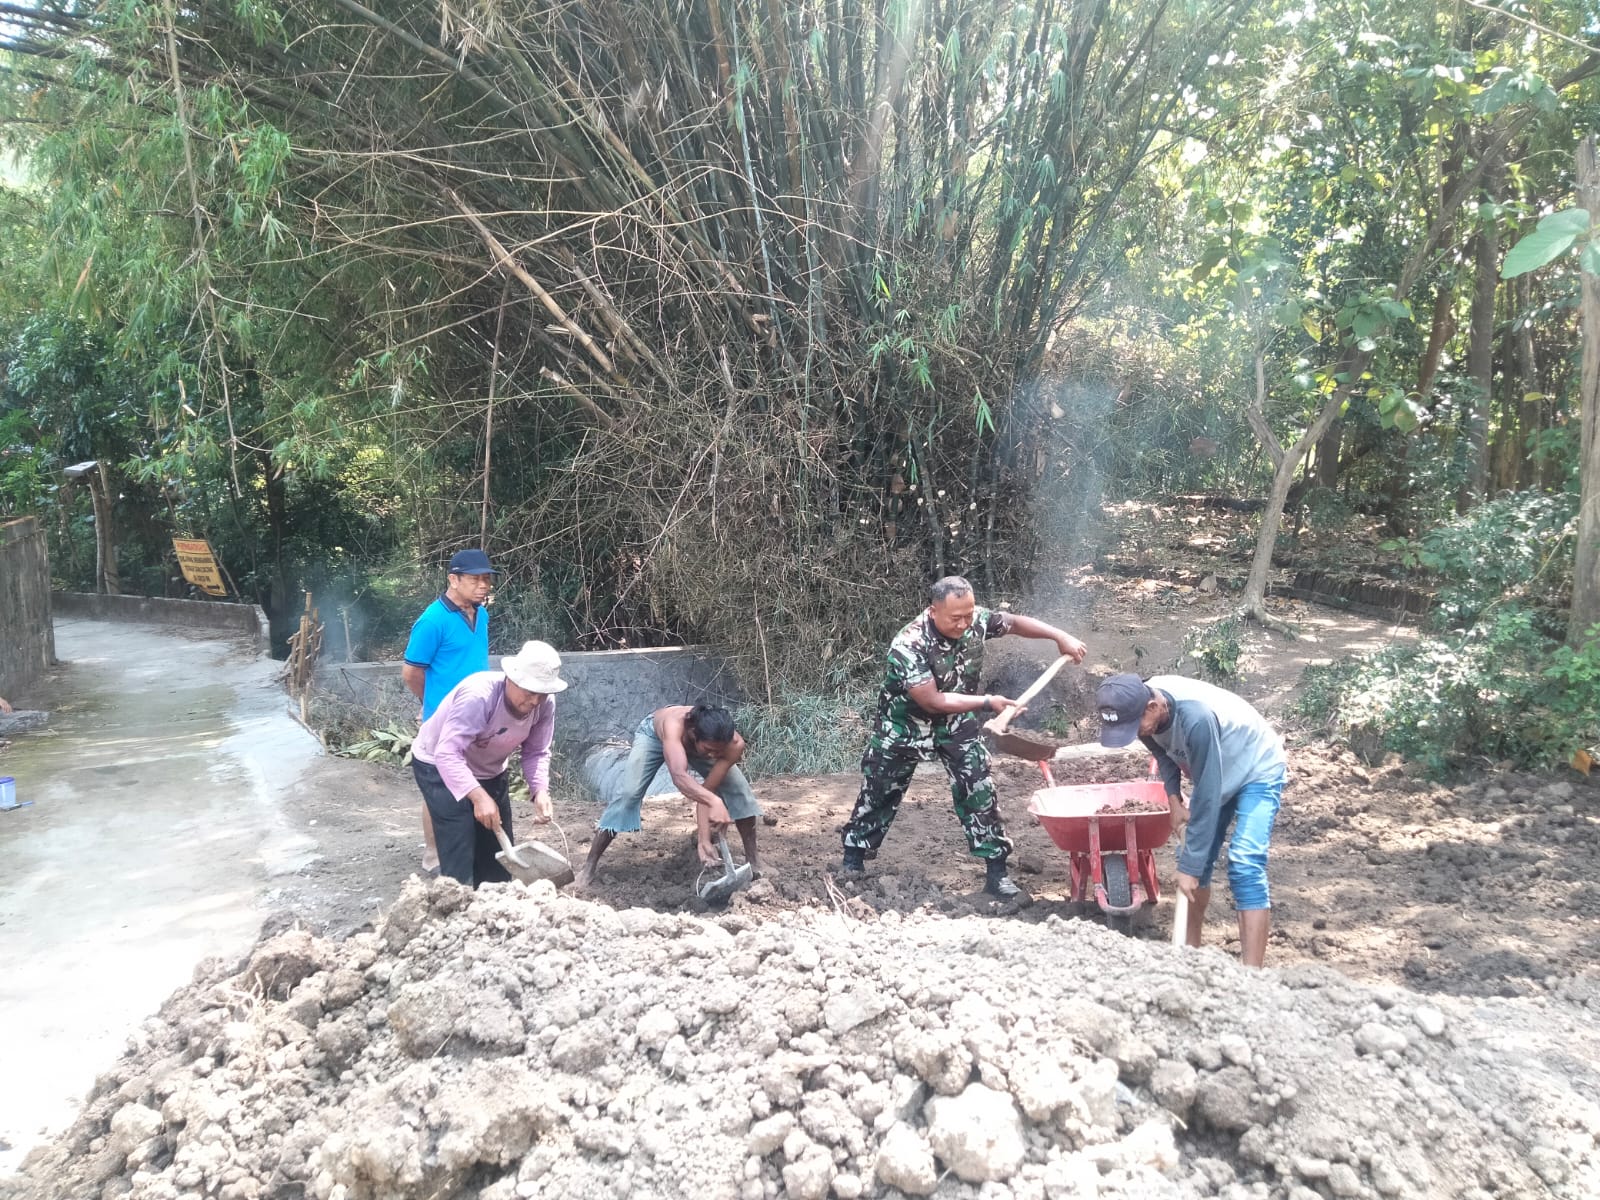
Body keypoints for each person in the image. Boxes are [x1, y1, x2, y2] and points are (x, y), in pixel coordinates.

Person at [840, 575, 1087, 897]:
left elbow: (1011, 623)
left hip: (957, 723)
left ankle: (996, 873)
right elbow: (931, 700)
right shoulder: (909, 644)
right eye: (955, 618)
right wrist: (988, 703)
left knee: (979, 789)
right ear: (933, 611)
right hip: (904, 725)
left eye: (969, 615)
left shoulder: (976, 620)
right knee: (879, 790)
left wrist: (1059, 636)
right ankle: (853, 859)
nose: (964, 624)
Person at [1096, 672, 1287, 967]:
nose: (1136, 734)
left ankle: (1253, 977)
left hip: (1256, 769)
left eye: (1135, 727)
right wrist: (1173, 798)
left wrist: (1190, 866)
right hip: (1214, 768)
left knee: (1245, 861)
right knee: (1194, 858)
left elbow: (1209, 794)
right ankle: (1191, 961)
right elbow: (1163, 753)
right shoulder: (1142, 709)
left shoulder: (1195, 718)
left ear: (1153, 706)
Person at [409, 640, 565, 888]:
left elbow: (536, 751)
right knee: (460, 842)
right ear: (511, 679)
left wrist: (540, 790)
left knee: (496, 859)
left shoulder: (545, 705)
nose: (535, 700)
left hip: (489, 769)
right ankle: (457, 905)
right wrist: (479, 798)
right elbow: (447, 753)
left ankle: (494, 907)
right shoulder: (479, 695)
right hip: (438, 764)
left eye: (542, 693)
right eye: (529, 691)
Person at [575, 704, 762, 888]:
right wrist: (714, 801)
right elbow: (679, 777)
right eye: (710, 750)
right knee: (628, 794)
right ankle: (589, 867)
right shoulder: (674, 725)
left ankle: (753, 862)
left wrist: (703, 840)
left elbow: (708, 789)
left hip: (696, 744)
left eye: (719, 752)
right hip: (654, 737)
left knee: (740, 790)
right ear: (693, 733)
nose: (714, 755)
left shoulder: (732, 746)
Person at [402, 548, 497, 872]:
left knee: (470, 780)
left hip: (477, 715)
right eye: (475, 579)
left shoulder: (480, 614)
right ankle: (433, 851)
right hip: (443, 719)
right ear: (453, 579)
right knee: (440, 788)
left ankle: (470, 846)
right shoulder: (432, 621)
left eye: (486, 579)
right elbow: (411, 673)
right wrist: (432, 707)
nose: (483, 585)